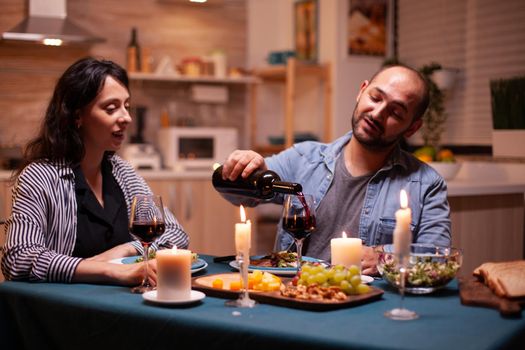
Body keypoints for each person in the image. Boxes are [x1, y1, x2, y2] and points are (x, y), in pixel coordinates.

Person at [219, 65, 451, 275]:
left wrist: (387, 257)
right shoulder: (303, 158)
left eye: (396, 113)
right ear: (362, 91)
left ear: (412, 128)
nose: (378, 113)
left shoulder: (427, 184)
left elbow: (437, 259)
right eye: (376, 97)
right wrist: (243, 168)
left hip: (367, 307)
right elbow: (237, 195)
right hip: (294, 296)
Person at [1, 57, 189, 285]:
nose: (126, 118)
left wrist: (126, 250)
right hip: (65, 310)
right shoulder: (40, 176)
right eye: (111, 108)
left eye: (126, 107)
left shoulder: (123, 173)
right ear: (77, 116)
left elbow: (176, 235)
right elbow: (18, 258)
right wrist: (110, 270)